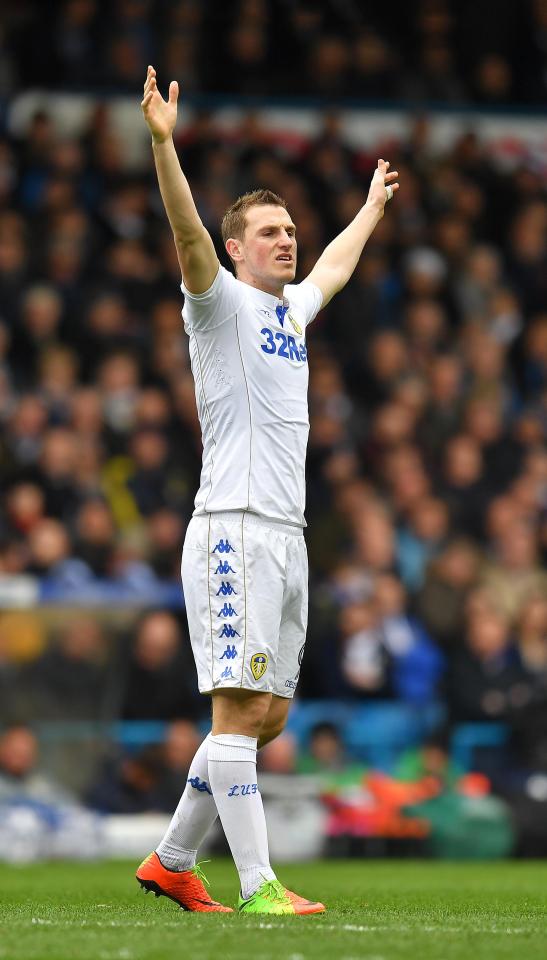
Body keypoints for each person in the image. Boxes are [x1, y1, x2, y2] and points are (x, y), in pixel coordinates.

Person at [136, 64, 399, 916]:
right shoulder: (216, 305)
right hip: (232, 529)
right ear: (236, 249)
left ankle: (174, 859)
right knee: (236, 710)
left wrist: (366, 211)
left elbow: (332, 268)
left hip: (286, 535)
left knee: (268, 717)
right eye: (269, 232)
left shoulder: (289, 318)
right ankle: (257, 885)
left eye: (290, 229)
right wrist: (163, 146)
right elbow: (183, 235)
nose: (287, 241)